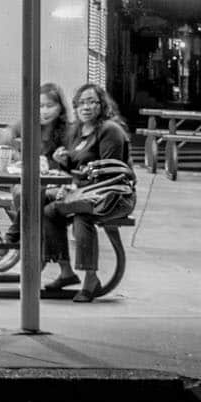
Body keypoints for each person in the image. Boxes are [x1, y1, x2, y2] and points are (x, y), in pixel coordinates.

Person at [40, 82, 133, 301]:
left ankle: (90, 278)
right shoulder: (76, 131)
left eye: (92, 102)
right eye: (82, 103)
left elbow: (109, 173)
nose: (86, 107)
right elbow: (75, 166)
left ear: (102, 105)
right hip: (86, 195)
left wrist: (74, 185)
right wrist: (62, 161)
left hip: (114, 196)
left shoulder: (110, 130)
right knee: (49, 210)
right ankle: (66, 271)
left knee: (81, 214)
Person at [0, 82, 72, 251]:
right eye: (40, 106)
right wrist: (17, 154)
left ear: (60, 108)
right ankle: (28, 237)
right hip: (32, 178)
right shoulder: (29, 124)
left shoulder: (68, 131)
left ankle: (19, 238)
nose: (44, 111)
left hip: (55, 183)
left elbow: (70, 164)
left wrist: (59, 159)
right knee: (20, 191)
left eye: (50, 106)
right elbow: (6, 135)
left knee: (29, 194)